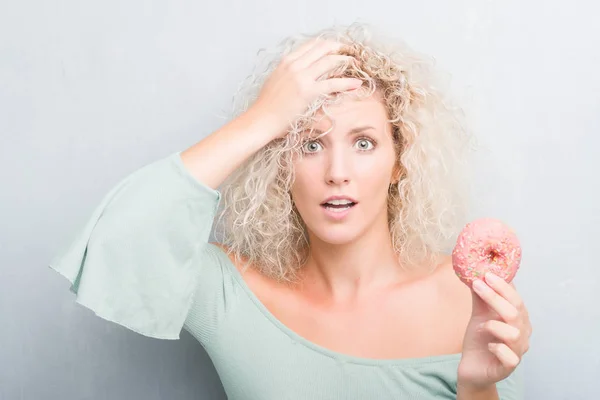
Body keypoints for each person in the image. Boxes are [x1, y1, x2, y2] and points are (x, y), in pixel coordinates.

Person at [49, 23, 531, 399]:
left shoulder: (472, 300)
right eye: (310, 144)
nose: (337, 171)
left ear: (399, 162)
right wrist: (263, 119)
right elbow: (114, 238)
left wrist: (477, 388)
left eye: (363, 142)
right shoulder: (231, 296)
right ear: (282, 166)